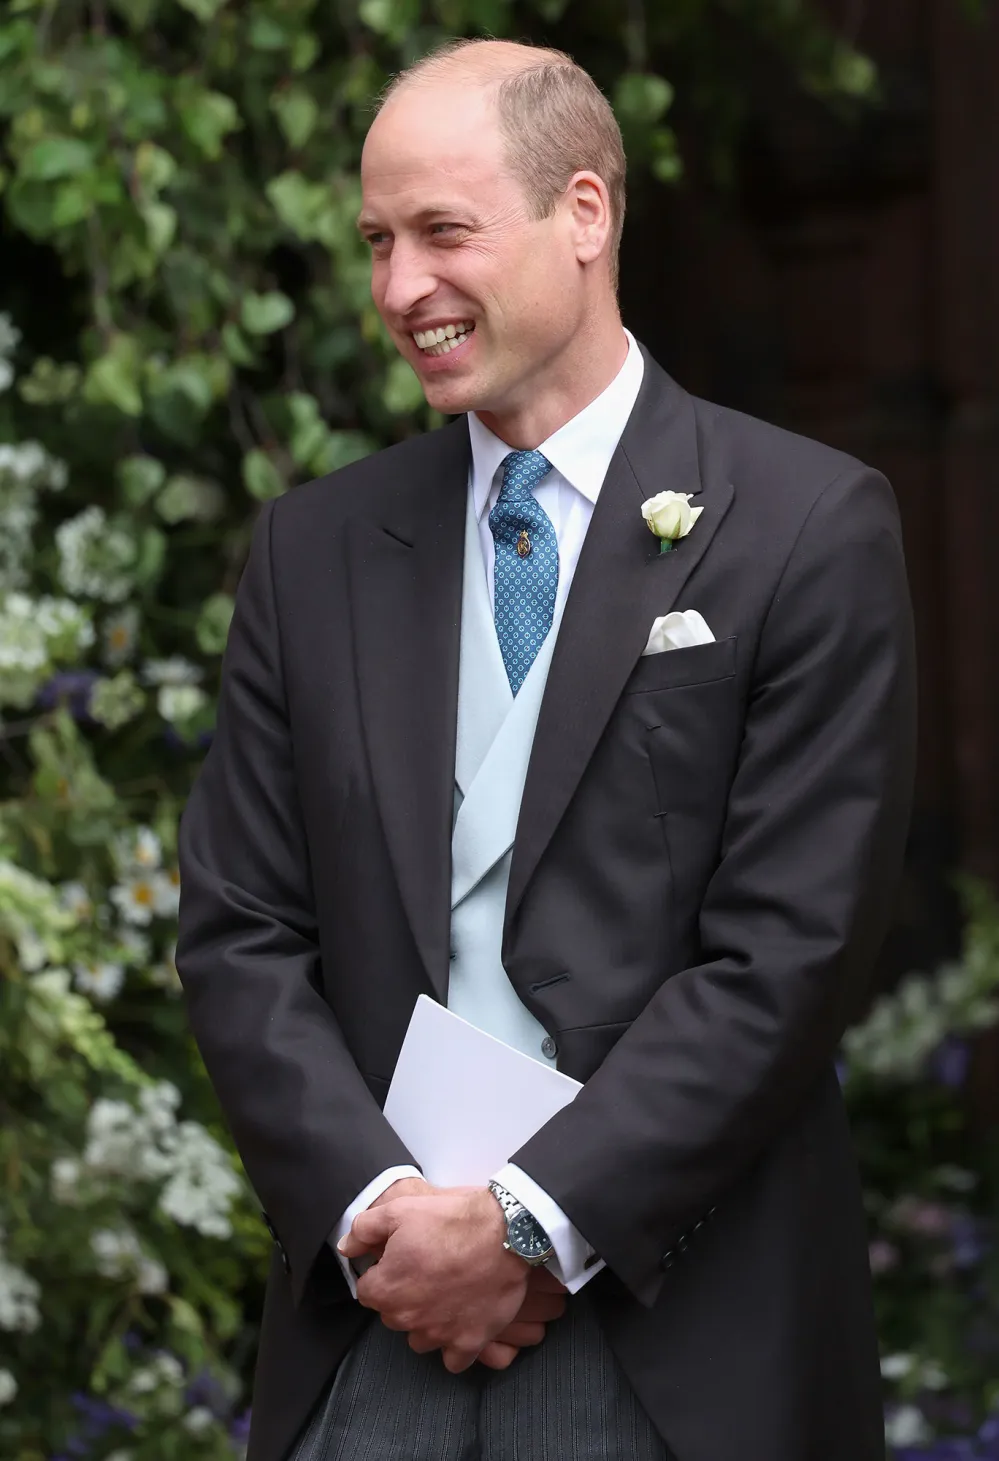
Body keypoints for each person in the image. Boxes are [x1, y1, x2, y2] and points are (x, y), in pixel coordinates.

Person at [176, 36, 915, 1461]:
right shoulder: (315, 547)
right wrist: (380, 1210)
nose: (401, 287)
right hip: (375, 1319)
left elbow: (790, 950)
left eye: (443, 232)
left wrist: (532, 1221)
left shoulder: (805, 526)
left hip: (677, 1331)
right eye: (378, 242)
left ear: (583, 214)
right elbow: (239, 930)